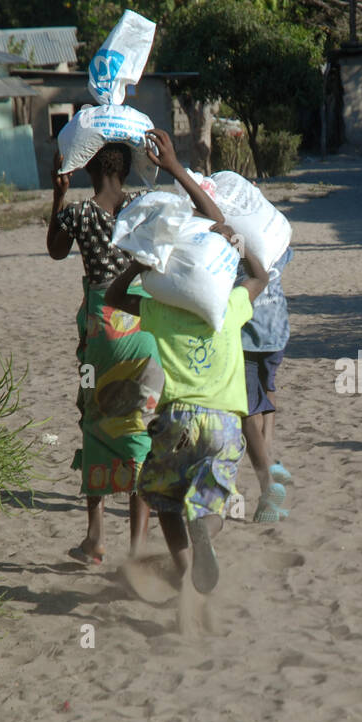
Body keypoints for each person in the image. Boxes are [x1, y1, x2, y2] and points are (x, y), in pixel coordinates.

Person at [105, 129, 271, 633]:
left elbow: (113, 298)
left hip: (174, 421)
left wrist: (141, 260)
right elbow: (260, 275)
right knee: (210, 505)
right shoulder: (227, 308)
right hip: (224, 423)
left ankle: (187, 576)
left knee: (163, 503)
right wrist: (235, 246)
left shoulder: (159, 310)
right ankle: (208, 536)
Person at [47, 142, 163, 563]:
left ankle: (95, 538)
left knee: (94, 420)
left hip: (102, 331)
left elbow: (56, 250)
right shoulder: (142, 207)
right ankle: (137, 549)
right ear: (126, 171)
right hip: (145, 325)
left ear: (92, 169)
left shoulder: (80, 212)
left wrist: (59, 191)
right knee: (140, 425)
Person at [238, 245, 294, 522]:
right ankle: (268, 454)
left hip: (246, 331)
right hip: (276, 327)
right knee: (268, 387)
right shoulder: (271, 240)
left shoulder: (231, 243)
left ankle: (267, 483)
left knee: (247, 408)